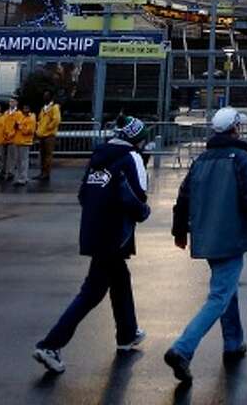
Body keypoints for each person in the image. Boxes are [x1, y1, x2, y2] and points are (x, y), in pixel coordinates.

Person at [164, 107, 247, 384]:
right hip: (230, 236)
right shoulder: (240, 158)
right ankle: (182, 348)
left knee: (226, 291)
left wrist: (179, 232)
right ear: (235, 129)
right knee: (219, 297)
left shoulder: (202, 160)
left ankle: (233, 343)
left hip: (207, 237)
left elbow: (183, 197)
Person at [32, 116, 153, 375]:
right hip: (115, 233)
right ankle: (50, 344)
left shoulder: (99, 157)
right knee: (92, 291)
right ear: (137, 138)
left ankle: (127, 333)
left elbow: (82, 195)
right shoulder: (132, 158)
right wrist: (144, 211)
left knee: (120, 279)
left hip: (92, 229)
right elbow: (136, 196)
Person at [9, 100, 36, 187]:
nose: (25, 109)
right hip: (17, 140)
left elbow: (29, 130)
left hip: (25, 142)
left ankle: (23, 178)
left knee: (23, 161)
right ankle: (21, 177)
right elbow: (15, 126)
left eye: (27, 108)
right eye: (24, 108)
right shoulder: (20, 116)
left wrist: (20, 127)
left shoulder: (31, 117)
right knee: (18, 160)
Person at [37, 92, 62, 183]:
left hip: (49, 135)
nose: (45, 97)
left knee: (48, 155)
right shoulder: (43, 108)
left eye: (46, 96)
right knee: (42, 155)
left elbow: (57, 120)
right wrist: (39, 128)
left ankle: (46, 173)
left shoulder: (54, 107)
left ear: (50, 98)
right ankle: (42, 172)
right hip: (42, 135)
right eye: (44, 96)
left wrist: (48, 128)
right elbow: (40, 119)